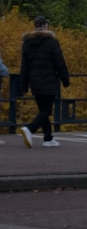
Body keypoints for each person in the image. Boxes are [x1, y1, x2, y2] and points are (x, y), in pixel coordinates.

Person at [19, 15, 70, 148]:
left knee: (43, 109)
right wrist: (65, 79)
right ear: (46, 25)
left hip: (34, 82)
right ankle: (30, 129)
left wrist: (23, 85)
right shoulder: (52, 42)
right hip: (49, 80)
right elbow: (59, 62)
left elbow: (24, 66)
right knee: (46, 110)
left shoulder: (27, 42)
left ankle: (48, 138)